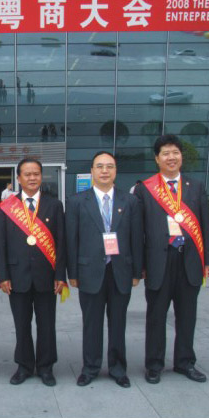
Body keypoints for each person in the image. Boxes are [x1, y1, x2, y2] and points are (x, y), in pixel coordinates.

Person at [134, 134, 209, 385]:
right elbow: (138, 232)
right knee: (156, 317)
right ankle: (154, 365)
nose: (171, 157)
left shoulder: (196, 187)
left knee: (187, 316)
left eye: (175, 153)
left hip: (189, 261)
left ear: (181, 157)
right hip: (158, 263)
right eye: (166, 153)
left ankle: (185, 362)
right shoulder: (145, 189)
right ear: (157, 158)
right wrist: (140, 266)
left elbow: (205, 225)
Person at [66, 151, 143, 388]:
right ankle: (90, 368)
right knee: (91, 324)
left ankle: (118, 369)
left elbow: (137, 238)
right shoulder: (77, 201)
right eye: (99, 166)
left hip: (120, 271)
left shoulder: (130, 201)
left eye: (109, 166)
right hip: (89, 272)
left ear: (116, 171)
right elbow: (71, 240)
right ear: (92, 171)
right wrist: (73, 274)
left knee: (118, 323)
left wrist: (137, 272)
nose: (104, 171)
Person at [0, 158, 66, 387]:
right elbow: (0, 244)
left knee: (47, 325)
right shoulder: (6, 207)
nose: (32, 178)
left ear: (41, 176)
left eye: (36, 173)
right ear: (18, 178)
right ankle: (24, 366)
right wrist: (3, 275)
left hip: (47, 276)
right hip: (17, 277)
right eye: (27, 174)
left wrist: (60, 275)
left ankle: (46, 367)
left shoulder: (54, 205)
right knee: (21, 325)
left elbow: (61, 243)